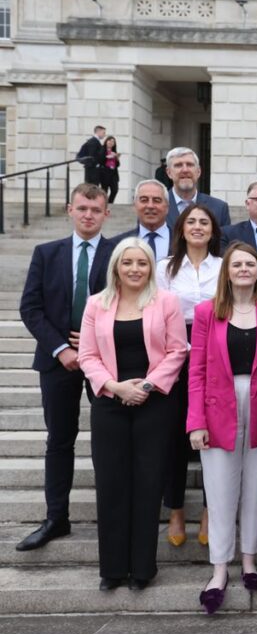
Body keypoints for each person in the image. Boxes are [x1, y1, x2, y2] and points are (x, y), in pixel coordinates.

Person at [77, 238, 188, 590]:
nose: (135, 269)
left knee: (147, 483)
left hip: (154, 404)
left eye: (142, 263)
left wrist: (146, 386)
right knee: (111, 484)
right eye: (128, 263)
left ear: (151, 268)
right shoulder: (97, 303)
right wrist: (115, 386)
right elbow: (87, 355)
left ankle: (142, 569)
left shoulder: (166, 302)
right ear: (116, 267)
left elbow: (177, 351)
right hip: (109, 403)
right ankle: (112, 570)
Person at [187, 242, 257, 614]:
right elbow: (195, 371)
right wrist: (195, 421)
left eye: (250, 264)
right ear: (226, 272)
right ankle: (218, 569)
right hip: (217, 407)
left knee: (256, 486)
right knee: (219, 490)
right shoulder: (206, 312)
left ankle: (248, 561)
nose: (243, 269)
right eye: (236, 264)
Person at [16, 184, 115, 551]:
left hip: (105, 363)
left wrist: (92, 346)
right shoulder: (46, 253)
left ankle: (113, 517)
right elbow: (30, 308)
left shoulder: (118, 253)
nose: (88, 214)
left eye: (95, 209)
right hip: (57, 360)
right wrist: (61, 348)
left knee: (109, 443)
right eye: (82, 208)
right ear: (69, 210)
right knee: (59, 440)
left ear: (107, 214)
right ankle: (56, 517)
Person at [156, 203, 223, 548]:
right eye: (191, 222)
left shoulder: (224, 267)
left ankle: (212, 510)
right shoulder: (163, 269)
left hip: (217, 354)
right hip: (174, 355)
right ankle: (177, 509)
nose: (198, 227)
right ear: (180, 229)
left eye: (204, 222)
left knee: (212, 434)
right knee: (174, 437)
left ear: (213, 231)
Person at [164, 147, 231, 229]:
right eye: (178, 165)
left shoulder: (219, 208)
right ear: (169, 172)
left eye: (190, 165)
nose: (185, 170)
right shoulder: (157, 206)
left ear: (198, 172)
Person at [112, 180, 174, 261]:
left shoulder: (184, 242)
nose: (150, 206)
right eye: (144, 200)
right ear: (135, 205)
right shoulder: (116, 244)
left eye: (157, 200)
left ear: (167, 207)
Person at [99, 136, 120, 205]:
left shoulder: (114, 152)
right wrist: (108, 157)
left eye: (113, 141)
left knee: (115, 189)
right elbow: (100, 160)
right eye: (110, 141)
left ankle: (110, 203)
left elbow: (117, 164)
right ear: (106, 141)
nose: (111, 142)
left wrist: (117, 158)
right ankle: (104, 204)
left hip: (113, 172)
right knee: (104, 190)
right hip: (105, 172)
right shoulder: (102, 149)